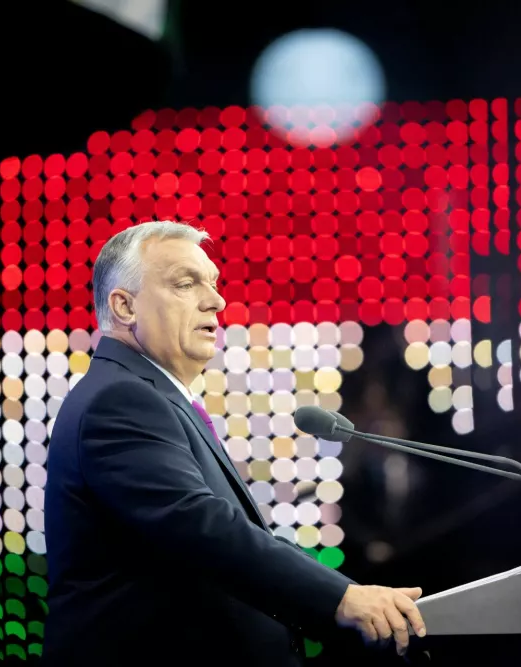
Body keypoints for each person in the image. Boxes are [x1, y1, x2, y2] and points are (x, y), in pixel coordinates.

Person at [42, 221, 427, 665]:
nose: (217, 300)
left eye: (214, 283)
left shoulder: (149, 395)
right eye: (186, 283)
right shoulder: (121, 399)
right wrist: (342, 597)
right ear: (124, 306)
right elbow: (202, 526)